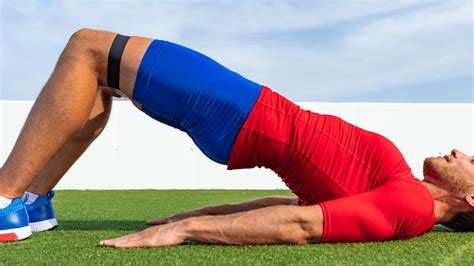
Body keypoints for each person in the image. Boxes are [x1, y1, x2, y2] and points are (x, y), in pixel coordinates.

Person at [0, 29, 472, 247]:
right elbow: (287, 206)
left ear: (472, 198)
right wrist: (196, 213)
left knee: (88, 48)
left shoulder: (411, 208)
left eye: (472, 161)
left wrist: (183, 231)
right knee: (102, 78)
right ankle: (36, 202)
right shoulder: (403, 192)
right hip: (246, 116)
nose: (459, 152)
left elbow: (302, 226)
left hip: (241, 112)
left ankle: (6, 200)